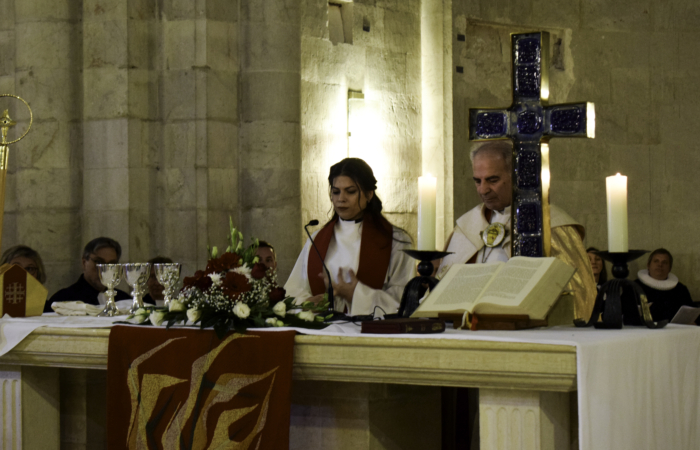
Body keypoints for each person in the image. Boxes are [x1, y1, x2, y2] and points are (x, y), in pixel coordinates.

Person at [437, 141, 597, 320]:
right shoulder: (466, 227)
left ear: (517, 175)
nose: (483, 190)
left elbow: (578, 295)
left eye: (493, 180)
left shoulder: (550, 224)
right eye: (477, 181)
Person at [285, 158, 415, 316]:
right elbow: (291, 292)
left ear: (368, 194)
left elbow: (402, 302)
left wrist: (357, 295)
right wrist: (307, 303)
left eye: (351, 191)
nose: (341, 198)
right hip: (322, 332)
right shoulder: (317, 239)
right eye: (336, 192)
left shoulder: (395, 241)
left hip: (370, 334)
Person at [45, 237, 130, 312]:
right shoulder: (63, 300)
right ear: (84, 262)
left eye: (111, 264)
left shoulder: (125, 300)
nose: (105, 270)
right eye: (99, 262)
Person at [633, 248, 694, 323]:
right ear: (648, 265)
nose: (660, 265)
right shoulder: (634, 287)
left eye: (664, 262)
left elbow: (692, 313)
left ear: (670, 268)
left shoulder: (680, 290)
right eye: (656, 261)